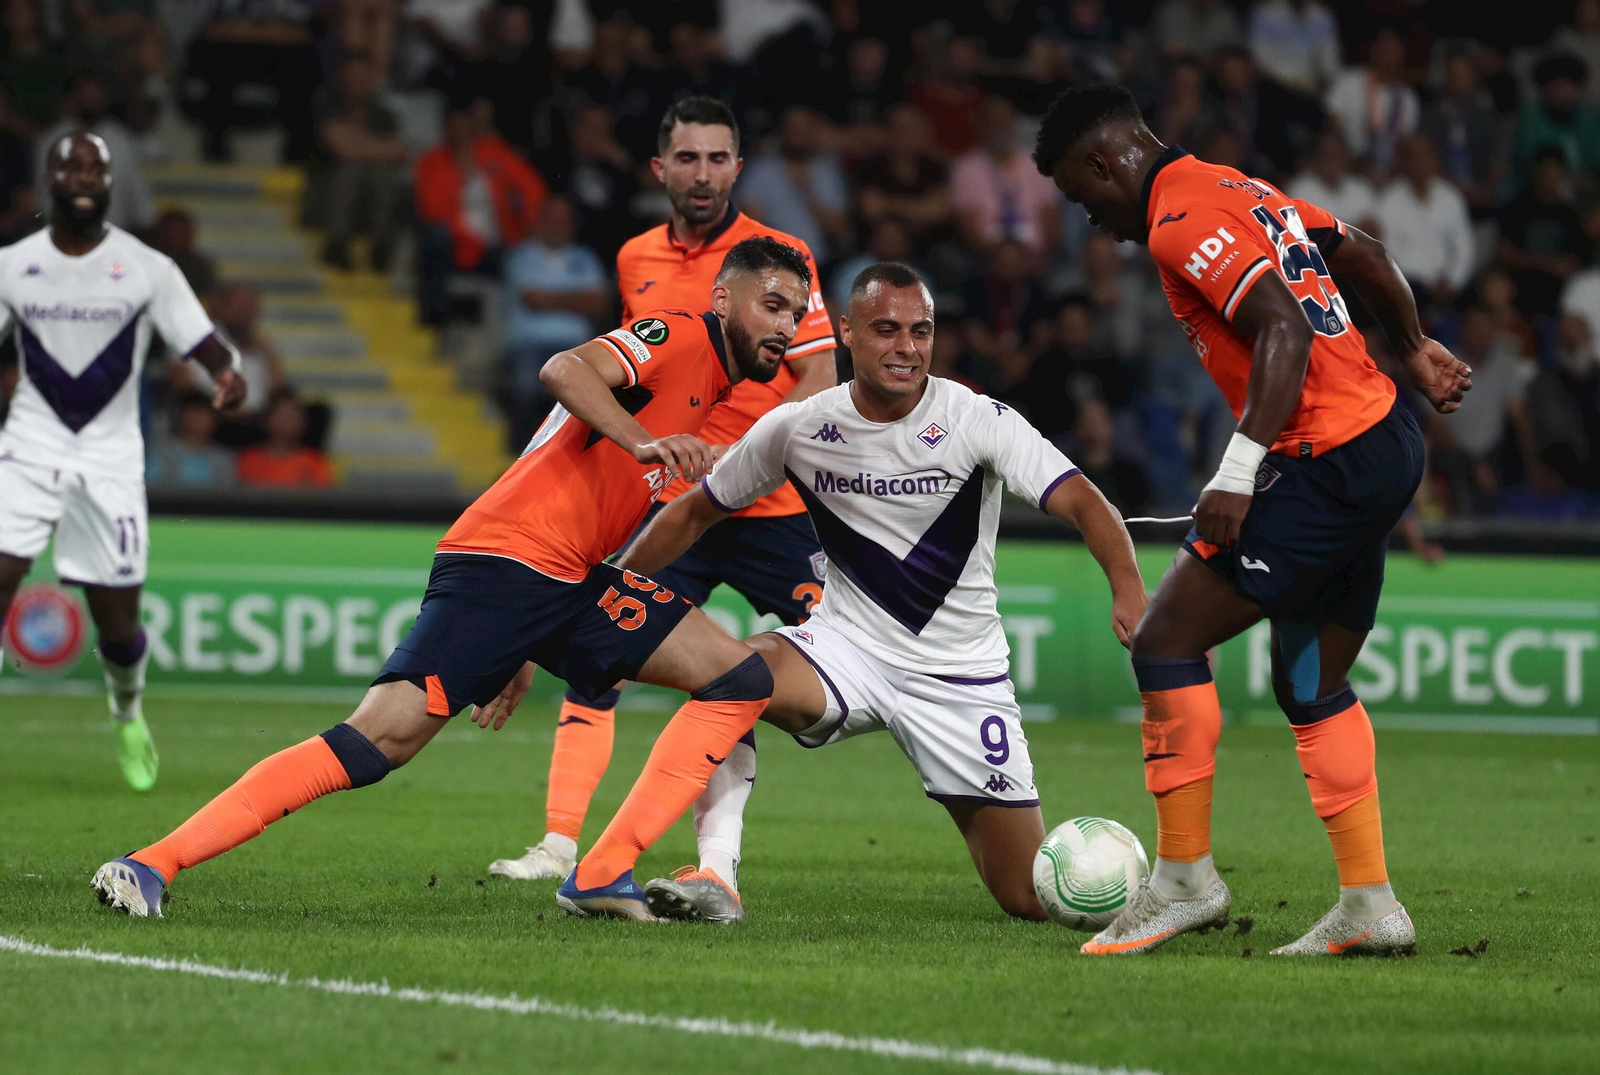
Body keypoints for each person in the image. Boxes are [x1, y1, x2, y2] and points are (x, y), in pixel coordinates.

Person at [91, 236, 811, 920]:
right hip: (507, 559)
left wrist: (532, 643)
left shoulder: (713, 386)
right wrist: (642, 441)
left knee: (738, 677)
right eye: (770, 305)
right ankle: (151, 862)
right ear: (722, 298)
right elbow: (563, 368)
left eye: (796, 312)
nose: (784, 326)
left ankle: (599, 873)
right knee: (380, 741)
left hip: (567, 579)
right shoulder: (681, 336)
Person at [1033, 85, 1471, 956]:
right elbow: (1365, 250)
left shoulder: (1178, 219)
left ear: (1103, 163)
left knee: (1163, 641)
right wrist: (1413, 342)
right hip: (1386, 441)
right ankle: (1370, 901)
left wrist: (1236, 472)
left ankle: (1183, 881)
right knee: (1311, 684)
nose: (1095, 222)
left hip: (1323, 461)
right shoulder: (1242, 188)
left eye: (1086, 201)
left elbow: (1283, 331)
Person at [573, 262, 1146, 922]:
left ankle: (1124, 871)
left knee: (1027, 897)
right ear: (846, 331)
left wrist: (1128, 591)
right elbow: (694, 511)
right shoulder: (800, 426)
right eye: (886, 329)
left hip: (961, 679)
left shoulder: (976, 420)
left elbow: (1083, 500)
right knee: (732, 677)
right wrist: (611, 586)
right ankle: (715, 875)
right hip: (845, 648)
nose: (906, 346)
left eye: (921, 331)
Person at [486, 98, 838, 913]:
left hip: (771, 505)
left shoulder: (779, 259)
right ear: (661, 168)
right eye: (689, 158)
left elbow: (820, 378)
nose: (703, 173)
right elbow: (643, 374)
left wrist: (750, 454)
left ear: (737, 169)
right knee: (598, 653)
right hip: (677, 506)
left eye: (719, 158)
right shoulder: (634, 257)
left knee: (856, 653)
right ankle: (562, 843)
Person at [0, 133, 245, 792]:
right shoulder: (11, 265)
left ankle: (126, 709)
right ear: (47, 178)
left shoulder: (146, 268)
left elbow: (202, 341)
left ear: (109, 183)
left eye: (94, 168)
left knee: (118, 624)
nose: (81, 176)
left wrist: (227, 377)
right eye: (69, 165)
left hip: (109, 460)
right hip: (28, 447)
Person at [236, 389, 334, 488]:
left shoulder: (314, 462)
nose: (288, 421)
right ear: (266, 419)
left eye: (293, 415)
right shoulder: (249, 460)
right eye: (282, 415)